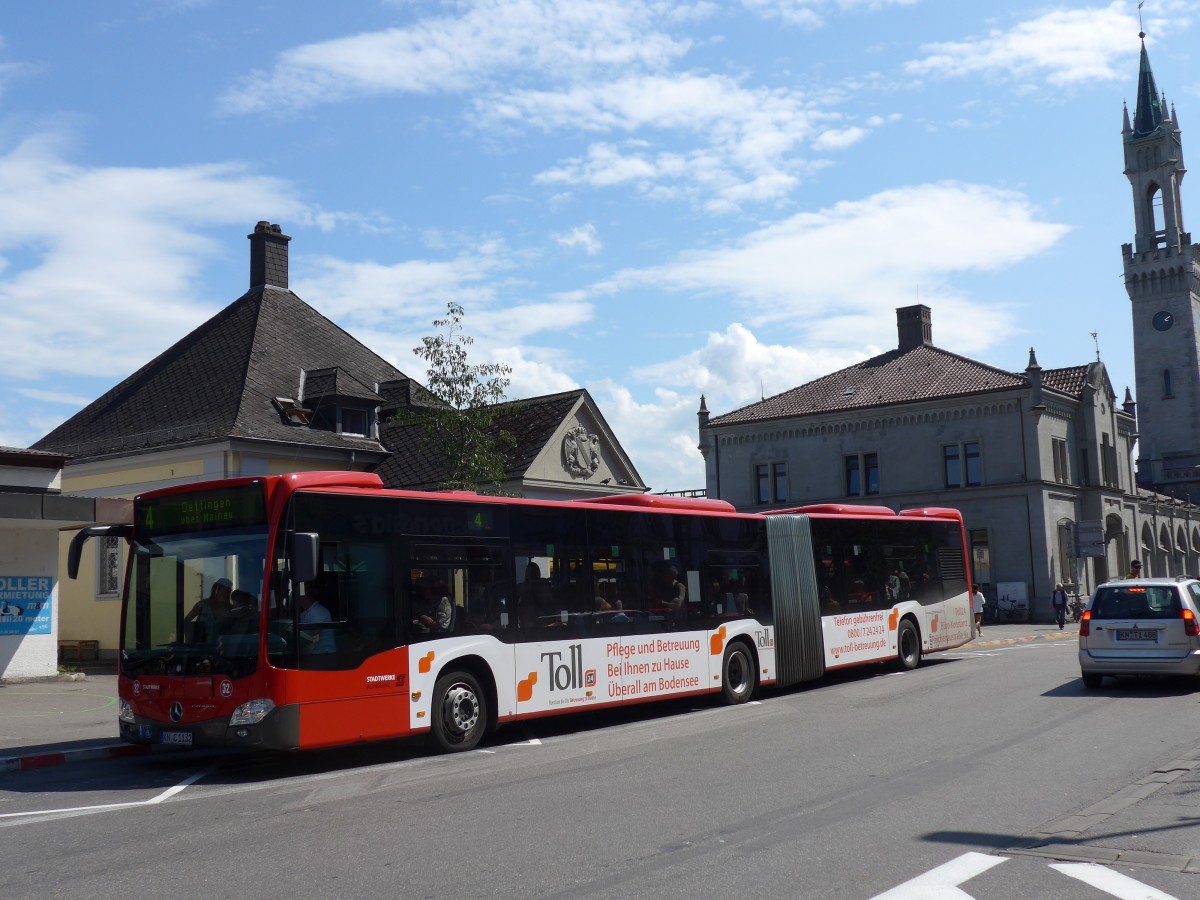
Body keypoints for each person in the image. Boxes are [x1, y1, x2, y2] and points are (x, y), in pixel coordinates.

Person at [184, 577, 232, 643]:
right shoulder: (203, 605)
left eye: (229, 592)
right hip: (200, 646)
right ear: (216, 590)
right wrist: (190, 640)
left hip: (219, 647)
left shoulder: (231, 609)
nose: (227, 595)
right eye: (225, 591)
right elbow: (186, 621)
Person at [298, 587, 335, 653]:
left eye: (299, 596)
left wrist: (304, 652)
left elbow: (315, 638)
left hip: (324, 654)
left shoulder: (318, 612)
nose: (296, 599)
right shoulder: (304, 613)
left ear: (306, 597)